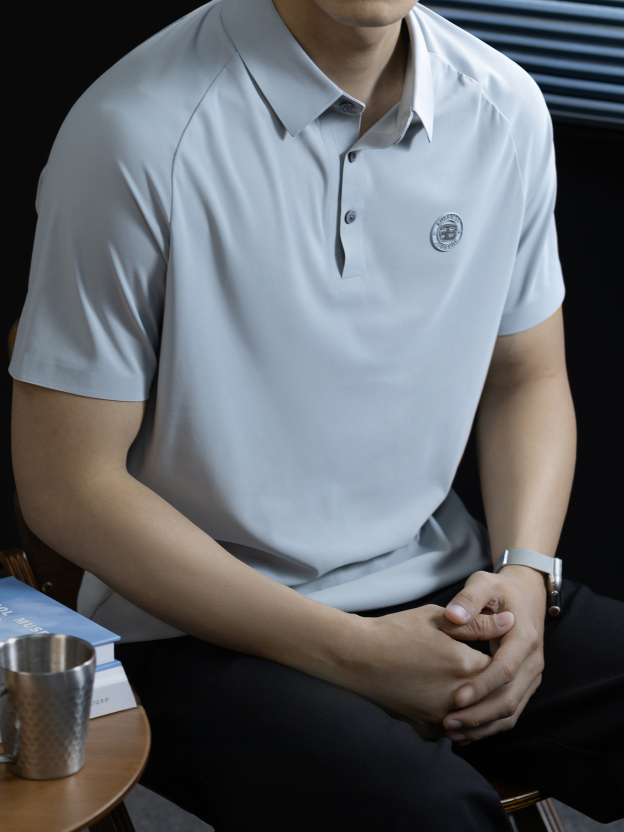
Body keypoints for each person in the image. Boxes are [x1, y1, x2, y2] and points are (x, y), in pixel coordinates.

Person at [9, 0, 623, 828]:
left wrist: (525, 576)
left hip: (441, 585)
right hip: (200, 627)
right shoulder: (135, 130)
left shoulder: (502, 105)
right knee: (428, 815)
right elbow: (66, 485)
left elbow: (526, 378)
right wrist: (359, 655)